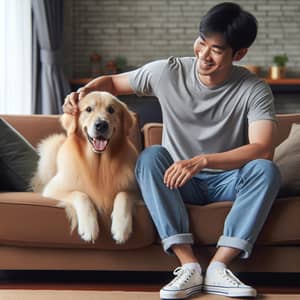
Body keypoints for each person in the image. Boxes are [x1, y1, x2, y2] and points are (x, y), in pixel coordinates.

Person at [63, 2, 281, 299]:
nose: (203, 55)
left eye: (216, 50)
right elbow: (113, 82)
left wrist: (202, 161)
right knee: (150, 156)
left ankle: (218, 267)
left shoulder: (253, 89)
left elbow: (262, 148)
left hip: (228, 181)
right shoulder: (168, 71)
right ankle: (188, 266)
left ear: (239, 54)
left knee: (266, 170)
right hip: (177, 181)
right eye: (201, 42)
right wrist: (81, 93)